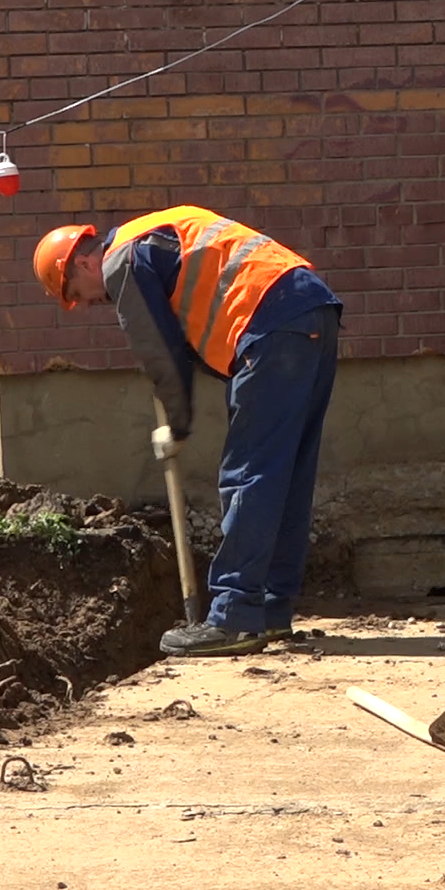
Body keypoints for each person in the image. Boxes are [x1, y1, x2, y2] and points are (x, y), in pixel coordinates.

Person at [31, 206, 342, 658]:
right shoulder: (154, 235)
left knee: (249, 472)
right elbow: (183, 337)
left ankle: (234, 616)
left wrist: (177, 426)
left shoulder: (124, 261)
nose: (86, 303)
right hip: (312, 310)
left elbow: (159, 352)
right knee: (287, 473)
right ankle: (270, 610)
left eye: (78, 293)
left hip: (273, 323)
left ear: (82, 262)